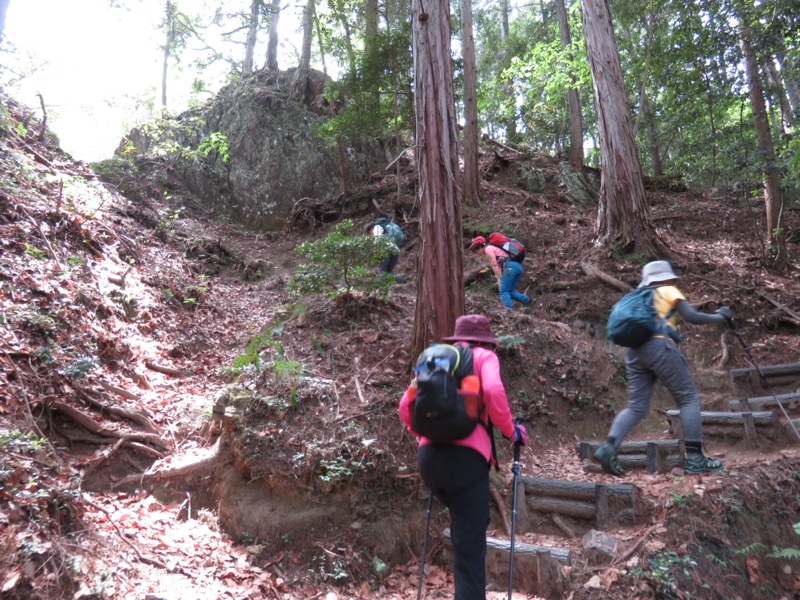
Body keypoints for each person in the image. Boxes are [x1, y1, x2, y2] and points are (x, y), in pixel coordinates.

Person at [398, 314, 527, 599]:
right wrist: (511, 432)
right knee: (470, 546)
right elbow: (493, 389)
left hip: (430, 460)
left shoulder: (436, 359)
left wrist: (426, 434)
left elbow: (404, 407)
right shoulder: (484, 357)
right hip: (466, 461)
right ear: (485, 339)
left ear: (457, 338)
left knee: (465, 526)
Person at [593, 260, 734, 476]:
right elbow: (692, 316)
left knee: (636, 406)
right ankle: (696, 458)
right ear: (665, 277)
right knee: (688, 398)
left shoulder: (638, 297)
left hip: (634, 352)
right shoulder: (667, 290)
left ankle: (609, 448)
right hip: (659, 346)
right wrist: (721, 317)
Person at [468, 236, 531, 310]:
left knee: (503, 291)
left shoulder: (488, 249)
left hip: (508, 267)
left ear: (479, 246)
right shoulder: (493, 247)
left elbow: (494, 264)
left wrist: (499, 278)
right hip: (517, 267)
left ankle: (508, 311)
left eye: (476, 251)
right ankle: (526, 300)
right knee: (509, 291)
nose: (477, 253)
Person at [371, 217, 406, 282]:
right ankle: (401, 281)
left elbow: (377, 238)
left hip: (386, 249)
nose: (371, 235)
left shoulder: (377, 227)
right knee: (388, 272)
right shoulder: (388, 228)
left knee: (382, 272)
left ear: (371, 229)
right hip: (395, 250)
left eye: (370, 233)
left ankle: (384, 289)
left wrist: (375, 249)